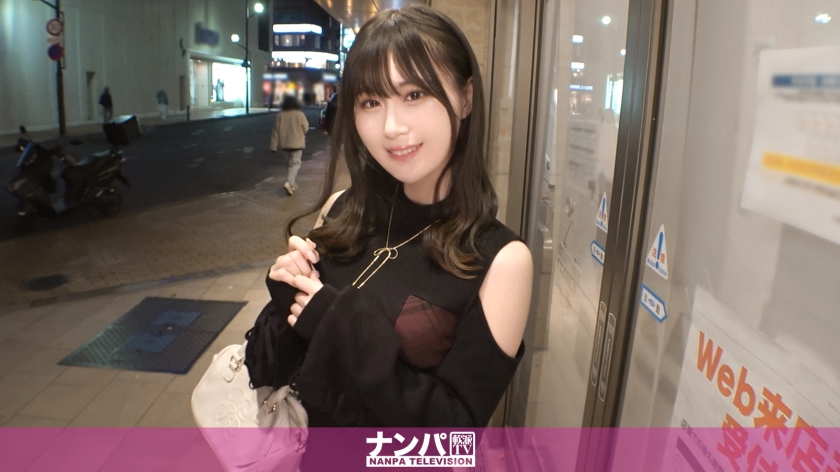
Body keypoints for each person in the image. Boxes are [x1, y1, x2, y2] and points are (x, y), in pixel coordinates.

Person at [246, 4, 532, 452]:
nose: (392, 127)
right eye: (371, 102)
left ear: (465, 97)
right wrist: (285, 299)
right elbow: (266, 371)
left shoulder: (501, 260)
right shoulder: (343, 210)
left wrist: (342, 329)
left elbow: (453, 443)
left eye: (414, 94)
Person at [270, 94, 309, 195]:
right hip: (297, 144)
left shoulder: (280, 115)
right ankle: (289, 182)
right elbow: (306, 128)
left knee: (290, 165)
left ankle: (293, 185)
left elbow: (275, 131)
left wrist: (273, 146)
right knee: (295, 164)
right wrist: (300, 132)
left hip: (285, 144)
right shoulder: (299, 114)